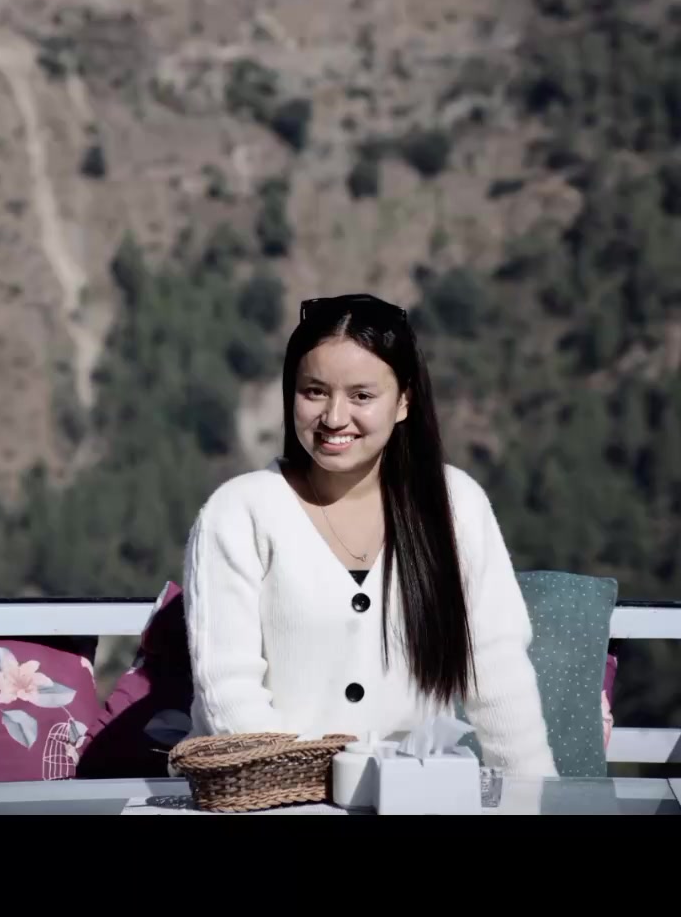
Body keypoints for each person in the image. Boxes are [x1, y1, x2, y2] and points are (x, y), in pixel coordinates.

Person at [183, 293, 557, 775]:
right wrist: (301, 787)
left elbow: (497, 672)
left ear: (404, 401)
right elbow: (228, 689)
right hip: (272, 795)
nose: (334, 417)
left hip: (414, 792)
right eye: (314, 392)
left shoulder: (455, 505)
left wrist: (537, 793)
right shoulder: (239, 512)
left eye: (361, 396)